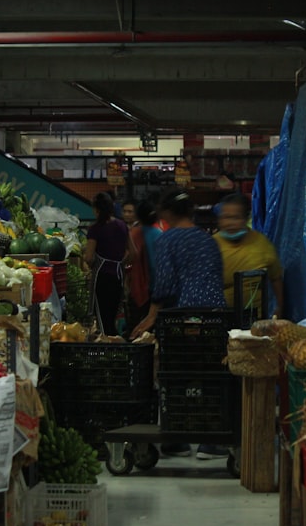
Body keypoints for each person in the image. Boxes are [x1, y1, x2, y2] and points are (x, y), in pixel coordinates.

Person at [130, 188, 227, 460]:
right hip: (214, 314)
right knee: (211, 373)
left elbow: (165, 283)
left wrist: (151, 315)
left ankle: (177, 439)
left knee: (176, 372)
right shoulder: (208, 240)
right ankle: (211, 441)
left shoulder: (167, 239)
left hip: (183, 315)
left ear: (168, 213)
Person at [213, 192, 284, 321]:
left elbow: (276, 278)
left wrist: (279, 307)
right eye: (226, 217)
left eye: (235, 218)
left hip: (255, 319)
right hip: (220, 317)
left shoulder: (261, 244)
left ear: (246, 219)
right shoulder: (211, 246)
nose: (230, 223)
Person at [84, 191, 130, 336]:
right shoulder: (122, 225)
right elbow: (132, 252)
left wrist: (92, 265)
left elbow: (89, 257)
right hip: (118, 276)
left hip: (102, 277)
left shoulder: (95, 229)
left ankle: (107, 349)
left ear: (96, 209)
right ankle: (115, 344)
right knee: (112, 317)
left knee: (102, 319)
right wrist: (119, 263)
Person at [124, 199, 163, 336]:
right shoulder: (159, 234)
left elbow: (126, 259)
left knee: (134, 327)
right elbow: (156, 265)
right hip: (155, 290)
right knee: (152, 329)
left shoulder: (133, 233)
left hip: (135, 289)